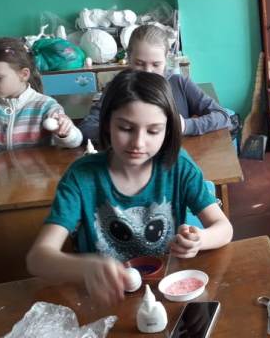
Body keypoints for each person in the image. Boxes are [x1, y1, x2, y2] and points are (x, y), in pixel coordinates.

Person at [27, 69, 233, 306]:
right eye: (126, 128)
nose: (138, 143)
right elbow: (38, 259)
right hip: (106, 297)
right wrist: (84, 267)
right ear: (107, 124)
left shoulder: (179, 167)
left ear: (168, 130)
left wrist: (200, 240)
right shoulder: (81, 177)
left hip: (164, 292)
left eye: (153, 131)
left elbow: (224, 228)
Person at [80, 25, 235, 142]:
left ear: (166, 59)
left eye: (156, 64)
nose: (148, 71)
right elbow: (87, 128)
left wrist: (186, 126)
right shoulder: (116, 87)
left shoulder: (179, 83)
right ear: (128, 57)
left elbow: (222, 116)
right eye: (139, 63)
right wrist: (123, 132)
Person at [0, 38, 82, 153]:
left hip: (37, 167)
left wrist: (66, 132)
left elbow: (75, 142)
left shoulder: (46, 106)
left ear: (24, 75)